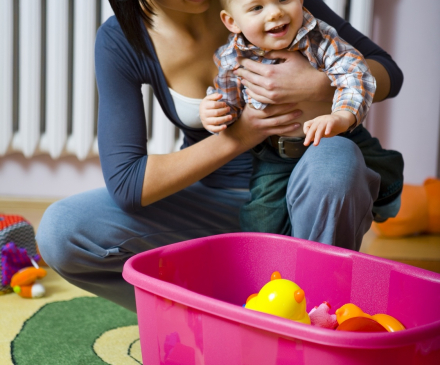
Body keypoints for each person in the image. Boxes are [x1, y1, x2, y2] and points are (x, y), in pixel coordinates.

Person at [36, 0, 404, 313]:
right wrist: (244, 133)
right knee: (62, 231)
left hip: (308, 197)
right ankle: (220, 313)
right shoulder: (123, 39)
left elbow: (388, 71)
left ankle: (314, 319)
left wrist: (317, 83)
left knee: (337, 158)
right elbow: (129, 184)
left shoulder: (272, 6)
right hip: (216, 206)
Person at [199, 0, 379, 234]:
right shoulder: (232, 56)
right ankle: (273, 268)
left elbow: (355, 74)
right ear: (232, 22)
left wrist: (342, 116)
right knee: (259, 222)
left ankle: (385, 180)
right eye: (256, 7)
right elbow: (229, 99)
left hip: (325, 143)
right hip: (273, 156)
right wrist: (215, 111)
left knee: (348, 179)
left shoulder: (319, 38)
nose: (275, 12)